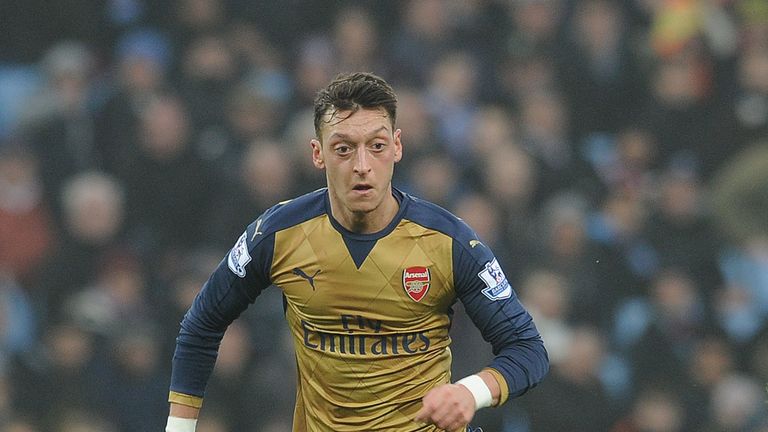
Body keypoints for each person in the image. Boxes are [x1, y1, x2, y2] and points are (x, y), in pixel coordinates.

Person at [165, 72, 549, 432]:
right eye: (344, 148)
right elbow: (202, 324)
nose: (362, 166)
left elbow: (527, 349)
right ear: (318, 154)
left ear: (397, 147)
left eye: (377, 146)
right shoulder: (276, 234)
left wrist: (471, 391)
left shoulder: (449, 242)